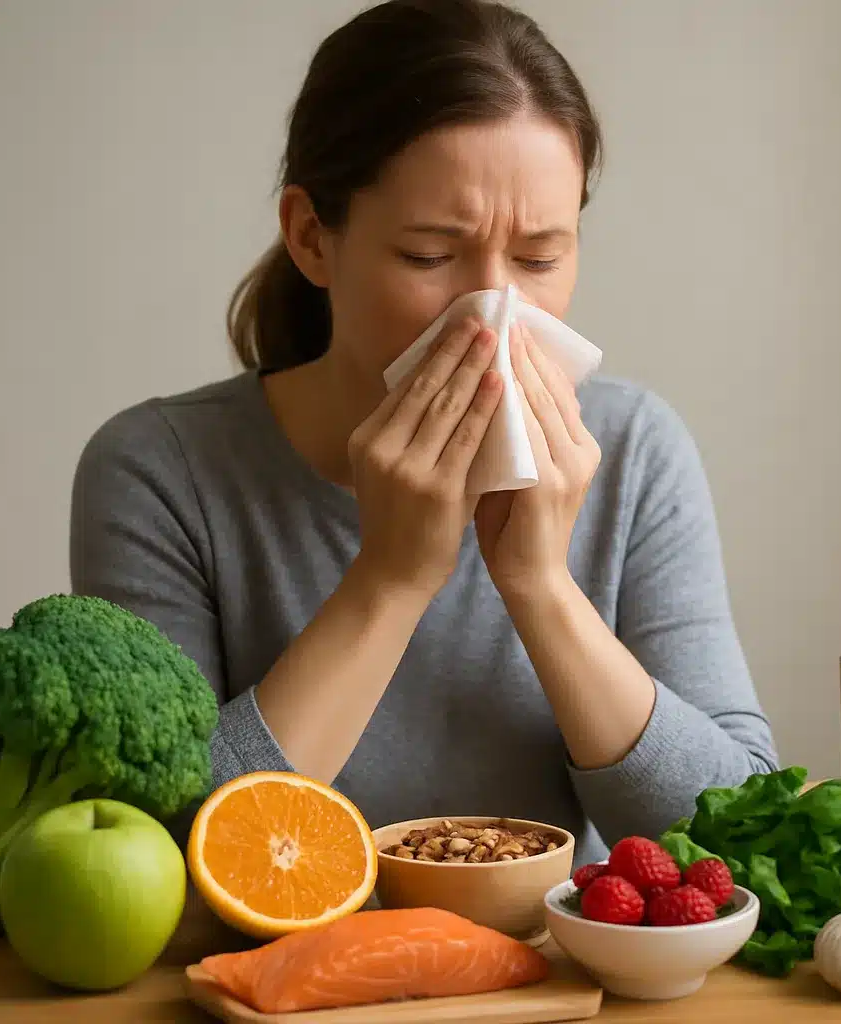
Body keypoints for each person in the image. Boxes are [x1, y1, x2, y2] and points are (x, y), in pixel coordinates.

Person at [69, 0, 778, 865]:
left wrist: (542, 586)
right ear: (311, 237)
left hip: (556, 990)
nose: (494, 313)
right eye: (429, 257)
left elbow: (742, 838)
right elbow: (160, 856)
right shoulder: (161, 473)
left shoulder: (634, 451)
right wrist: (393, 578)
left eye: (540, 258)